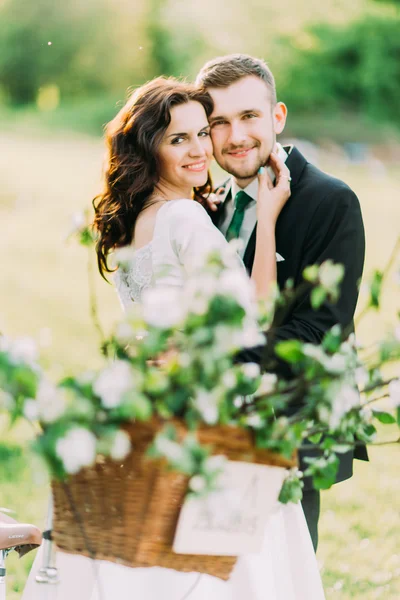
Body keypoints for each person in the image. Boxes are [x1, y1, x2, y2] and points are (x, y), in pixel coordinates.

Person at [22, 77, 325, 600]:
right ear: (150, 148)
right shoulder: (185, 217)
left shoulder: (132, 225)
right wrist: (269, 217)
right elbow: (254, 318)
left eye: (202, 133)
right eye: (177, 138)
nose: (200, 149)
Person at [195, 54, 367, 551]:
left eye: (248, 116)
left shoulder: (330, 200)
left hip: (293, 419)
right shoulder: (208, 203)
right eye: (218, 123)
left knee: (286, 566)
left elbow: (320, 331)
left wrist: (212, 358)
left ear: (278, 116)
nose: (235, 136)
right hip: (215, 420)